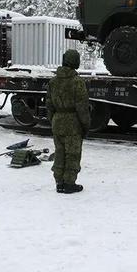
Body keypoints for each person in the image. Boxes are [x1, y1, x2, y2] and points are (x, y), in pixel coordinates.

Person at [45, 49, 90, 194]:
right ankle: (69, 183)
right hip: (73, 123)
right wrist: (86, 125)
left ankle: (59, 182)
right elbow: (82, 108)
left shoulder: (53, 81)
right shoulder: (77, 82)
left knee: (60, 152)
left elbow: (49, 105)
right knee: (73, 154)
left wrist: (53, 120)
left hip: (57, 121)